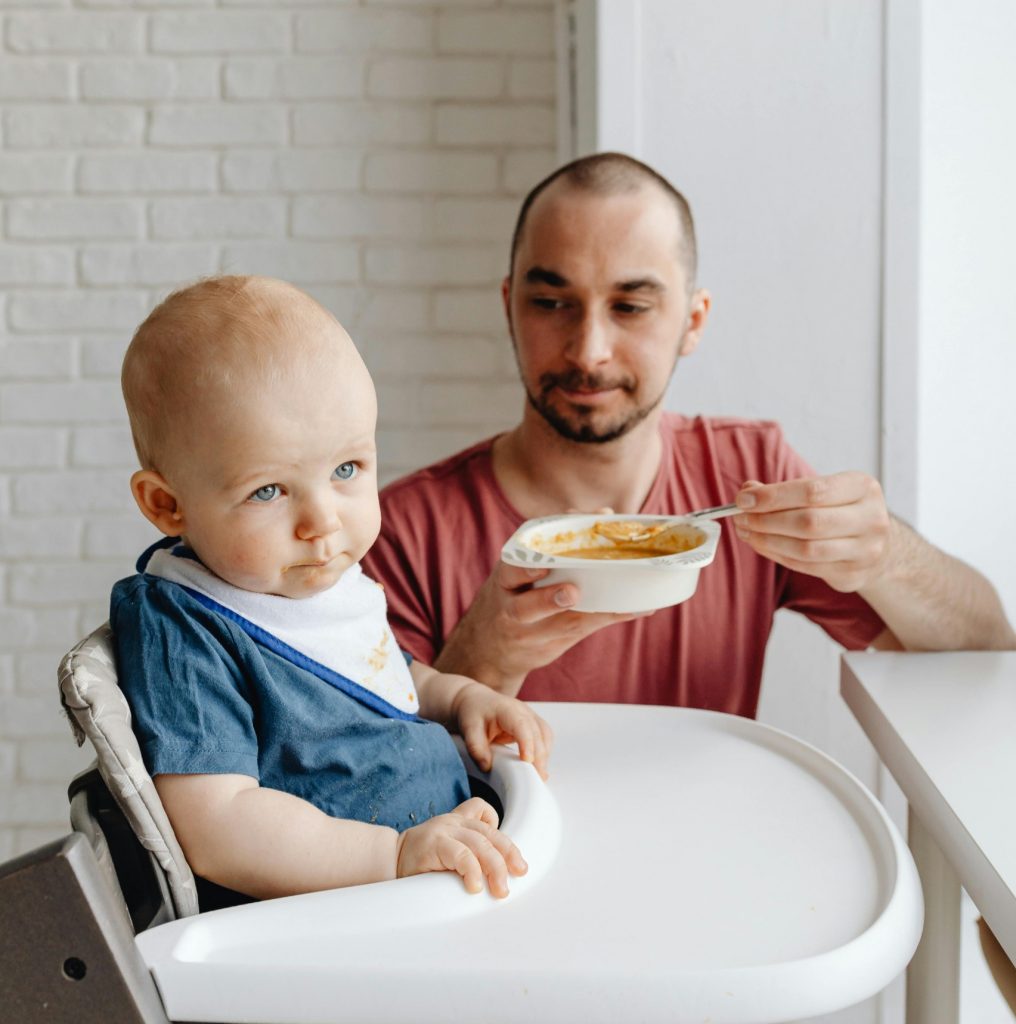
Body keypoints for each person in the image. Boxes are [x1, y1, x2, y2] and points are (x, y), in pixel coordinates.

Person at [362, 152, 1015, 711]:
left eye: (631, 307)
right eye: (552, 304)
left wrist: (887, 554)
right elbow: (358, 795)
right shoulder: (399, 533)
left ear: (693, 321)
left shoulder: (748, 473)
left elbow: (985, 642)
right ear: (509, 305)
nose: (589, 351)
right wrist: (486, 658)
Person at [111, 275, 552, 903]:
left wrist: (457, 697)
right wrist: (393, 854)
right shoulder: (186, 626)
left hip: (449, 870)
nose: (323, 521)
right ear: (167, 504)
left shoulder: (300, 578)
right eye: (267, 491)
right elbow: (219, 825)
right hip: (337, 921)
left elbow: (381, 674)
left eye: (346, 469)